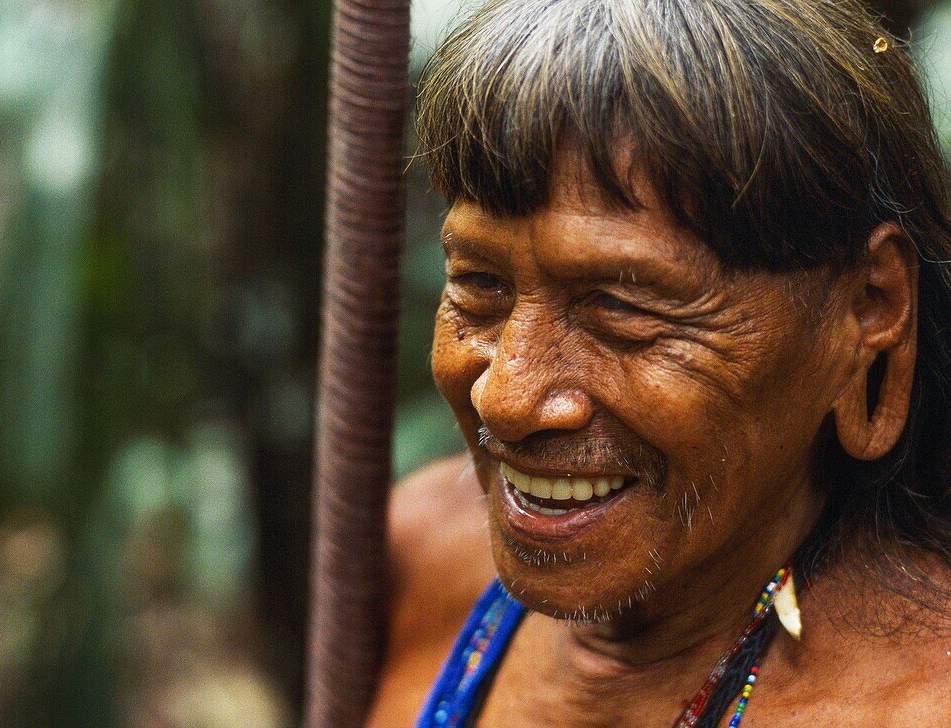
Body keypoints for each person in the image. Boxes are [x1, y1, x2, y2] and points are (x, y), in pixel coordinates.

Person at [366, 0, 951, 725]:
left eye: (620, 308)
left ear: (868, 308)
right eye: (480, 286)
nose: (506, 397)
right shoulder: (419, 555)